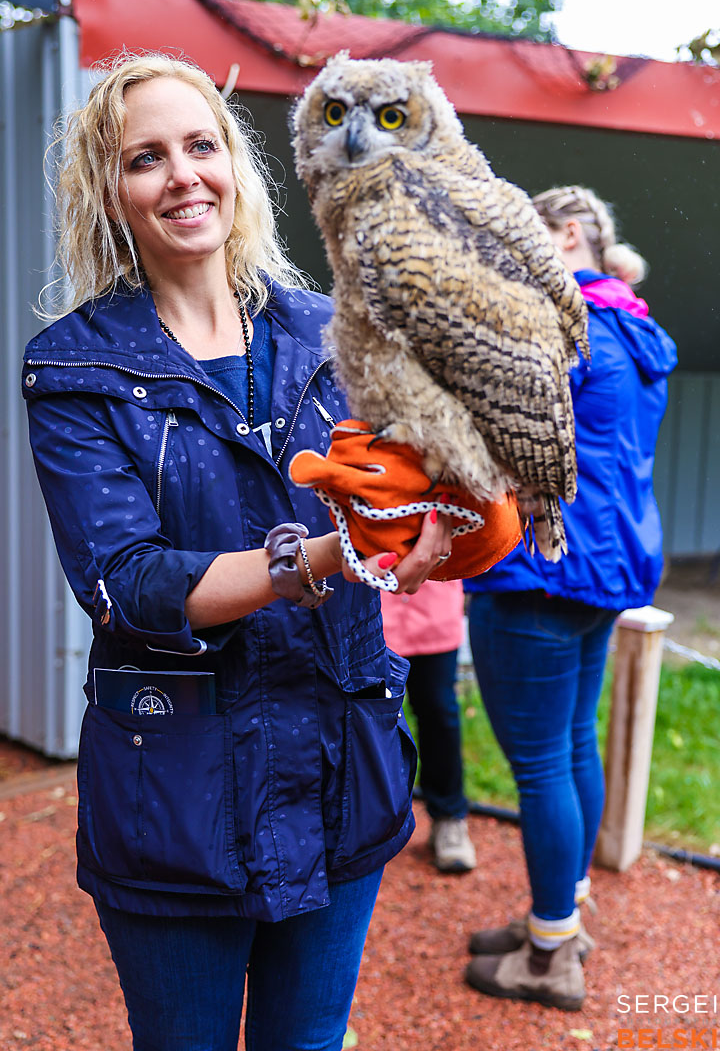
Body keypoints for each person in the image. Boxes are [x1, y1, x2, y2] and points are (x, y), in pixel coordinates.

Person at [22, 54, 455, 1051]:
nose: (182, 175)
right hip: (177, 794)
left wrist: (448, 520)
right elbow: (126, 582)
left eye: (200, 145)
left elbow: (410, 485)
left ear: (235, 165)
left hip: (340, 769)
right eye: (147, 158)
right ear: (110, 192)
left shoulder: (337, 332)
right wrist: (326, 559)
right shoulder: (76, 369)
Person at [463, 186, 677, 1011]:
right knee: (572, 744)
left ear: (570, 232)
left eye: (526, 235)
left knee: (545, 759)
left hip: (543, 564)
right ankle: (562, 915)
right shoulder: (629, 321)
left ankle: (552, 954)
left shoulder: (560, 324)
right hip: (606, 560)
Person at [381, 579, 477, 873]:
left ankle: (449, 818)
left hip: (433, 606)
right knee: (366, 718)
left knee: (438, 713)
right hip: (371, 608)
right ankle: (364, 825)